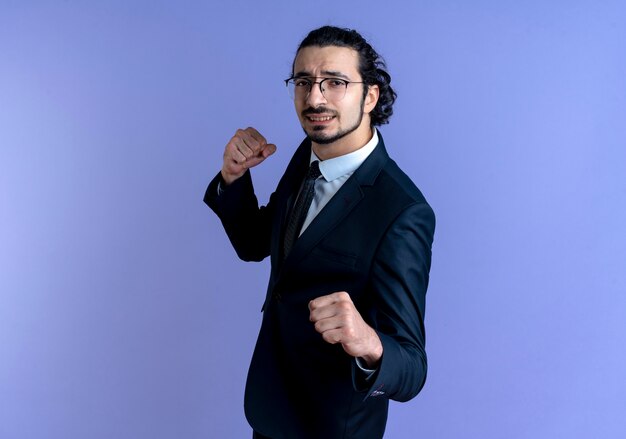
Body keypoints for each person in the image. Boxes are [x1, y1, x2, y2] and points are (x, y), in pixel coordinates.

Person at [205, 26, 435, 439]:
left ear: (370, 96)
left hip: (332, 426)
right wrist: (234, 179)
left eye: (335, 82)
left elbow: (412, 368)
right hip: (270, 407)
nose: (314, 98)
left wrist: (369, 342)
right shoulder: (307, 153)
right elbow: (255, 244)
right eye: (304, 82)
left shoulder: (403, 211)